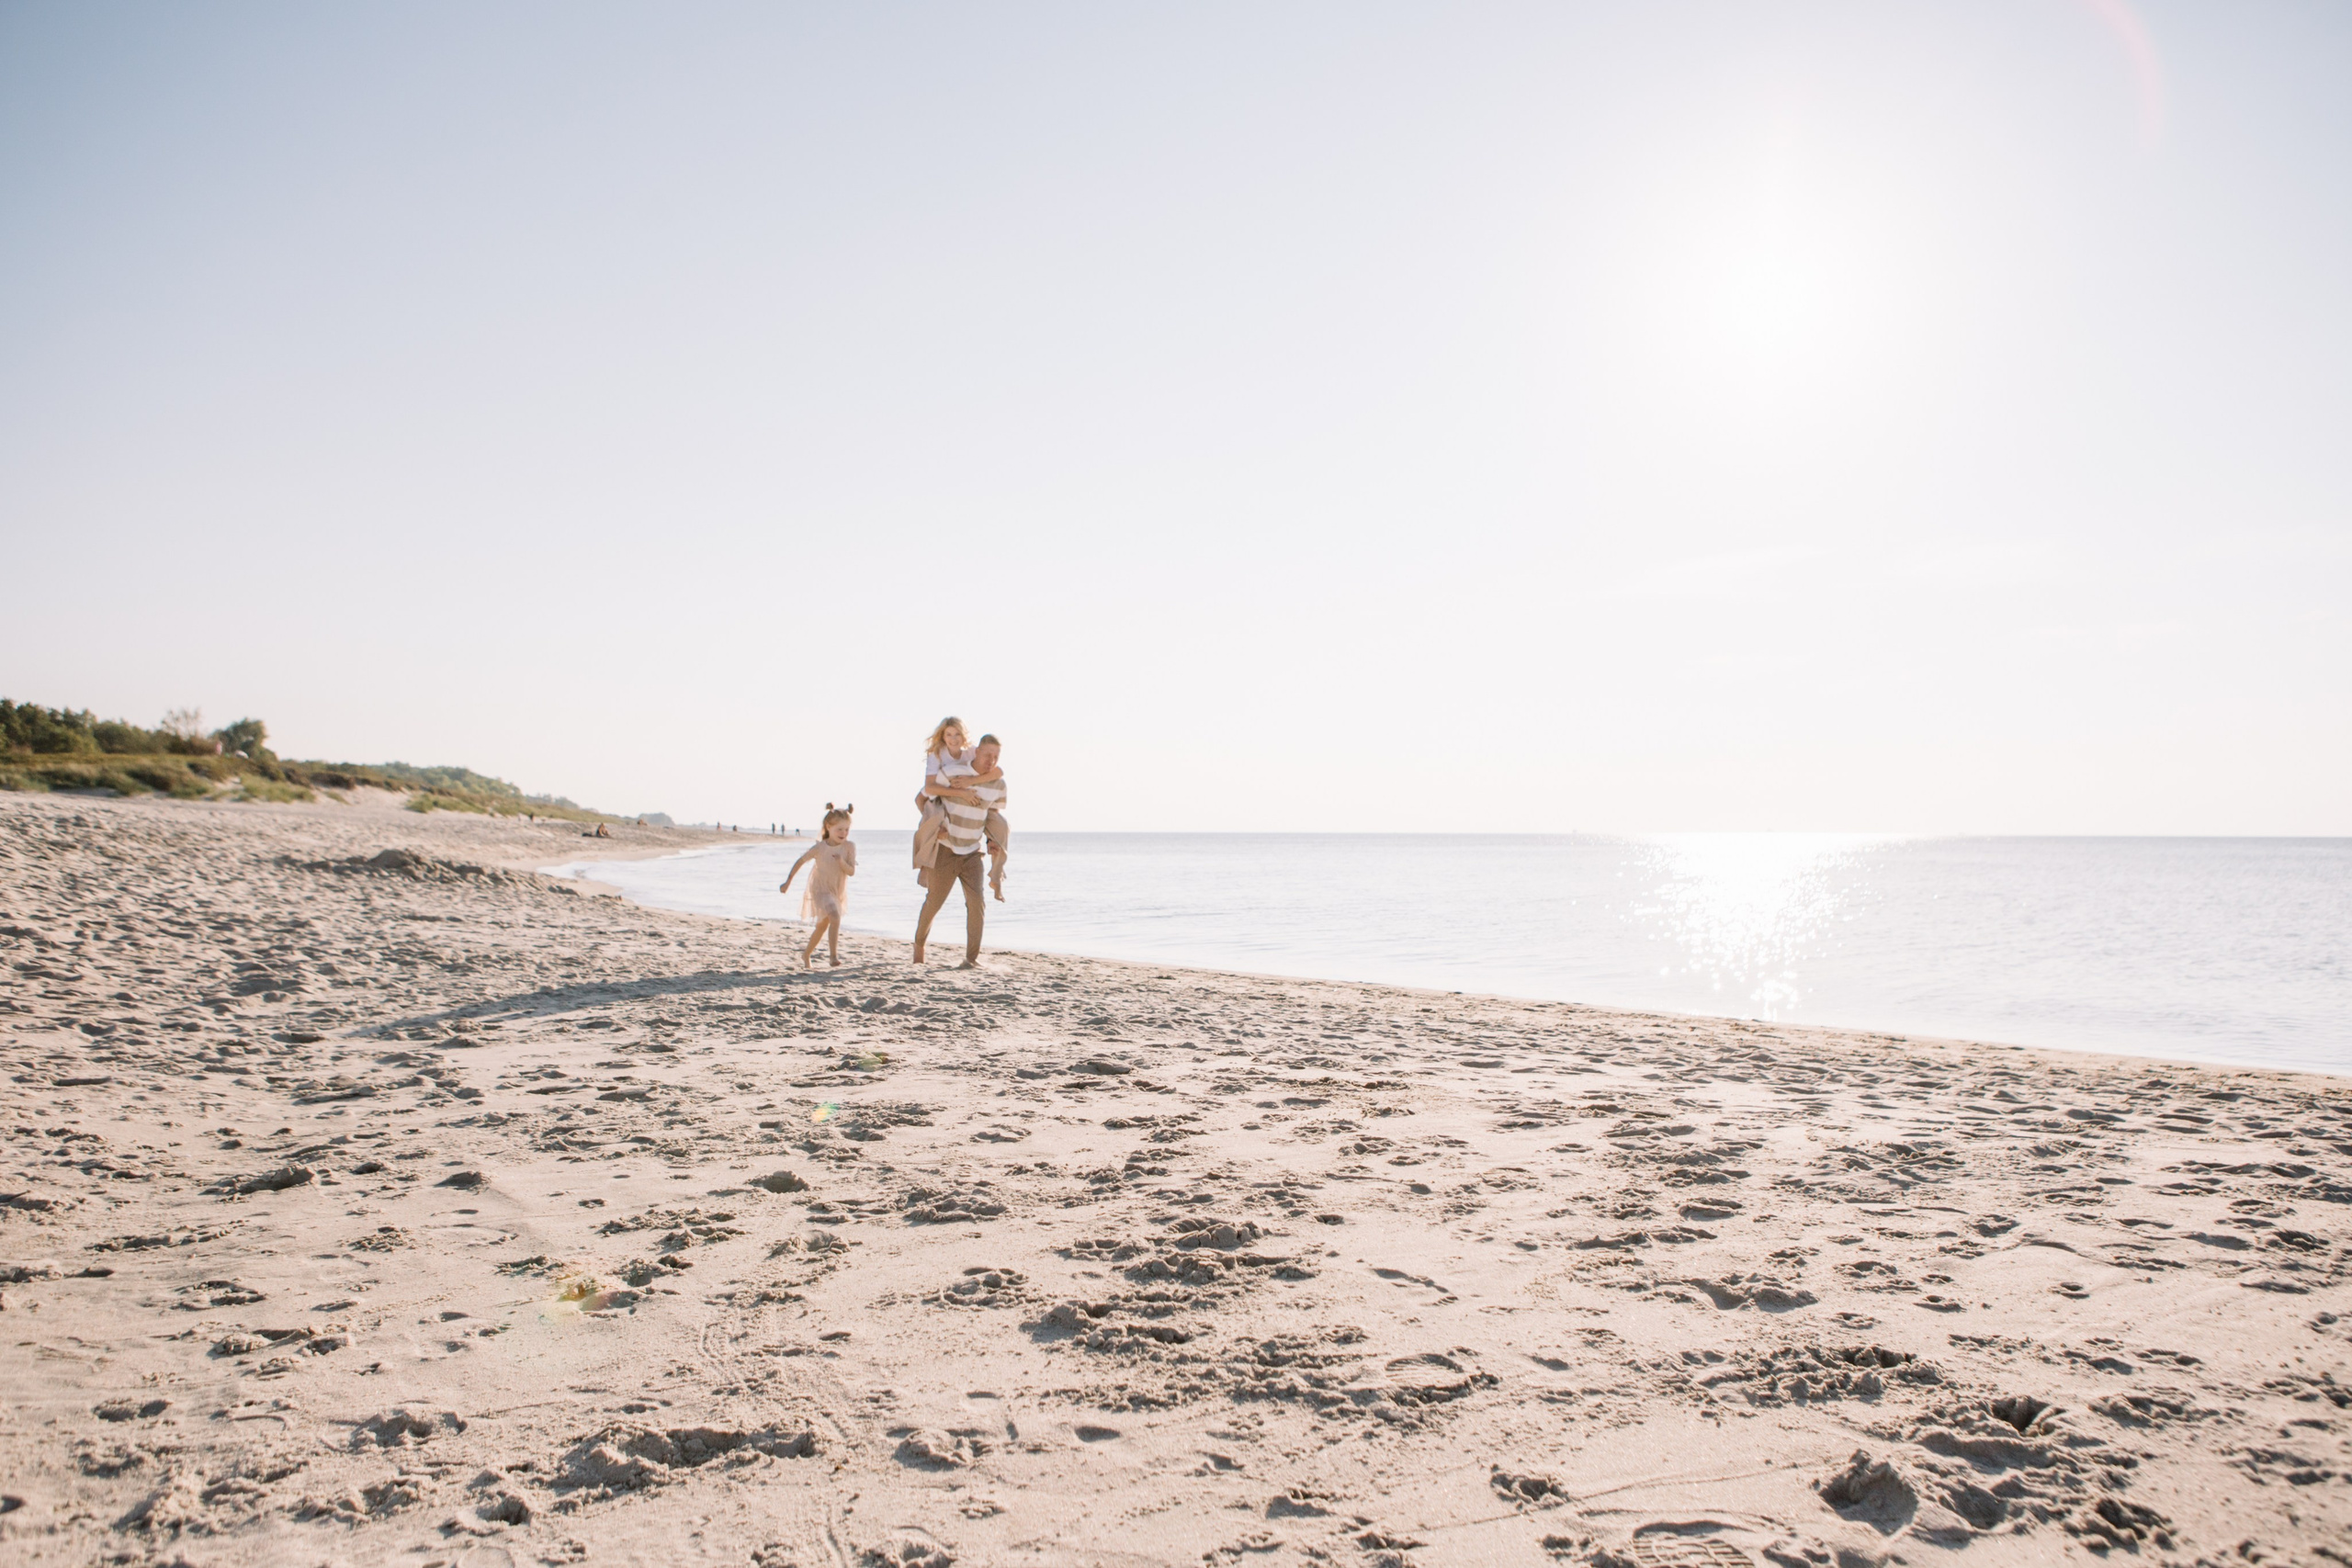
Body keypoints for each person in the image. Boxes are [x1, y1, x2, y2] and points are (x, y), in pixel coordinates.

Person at [911, 723, 1003, 967]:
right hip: (946, 849)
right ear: (976, 751)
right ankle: (919, 946)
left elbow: (992, 815)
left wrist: (993, 841)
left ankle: (971, 959)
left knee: (977, 904)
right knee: (934, 902)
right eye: (987, 755)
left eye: (996, 756)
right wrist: (933, 825)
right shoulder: (951, 772)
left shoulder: (997, 785)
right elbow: (923, 797)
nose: (991, 760)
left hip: (973, 852)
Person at [780, 803, 856, 968]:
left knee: (822, 926)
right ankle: (833, 956)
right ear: (828, 827)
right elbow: (800, 861)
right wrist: (788, 882)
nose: (844, 834)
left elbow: (851, 871)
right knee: (835, 916)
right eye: (839, 829)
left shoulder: (849, 847)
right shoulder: (820, 848)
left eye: (847, 830)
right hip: (820, 889)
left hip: (837, 890)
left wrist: (841, 862)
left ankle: (806, 955)